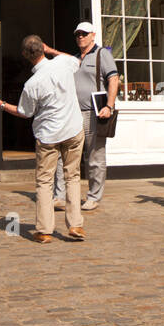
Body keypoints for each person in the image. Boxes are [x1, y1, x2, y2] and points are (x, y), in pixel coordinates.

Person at [0, 34, 85, 244]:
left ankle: (45, 230)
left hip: (49, 135)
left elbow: (24, 112)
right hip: (73, 129)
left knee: (45, 181)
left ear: (25, 56)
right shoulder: (63, 62)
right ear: (43, 49)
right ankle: (75, 225)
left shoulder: (32, 83)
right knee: (72, 176)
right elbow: (77, 61)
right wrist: (52, 50)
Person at [46, 23, 118, 212]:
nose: (80, 37)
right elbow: (66, 59)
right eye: (77, 34)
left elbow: (113, 79)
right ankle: (60, 196)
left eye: (84, 34)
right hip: (73, 113)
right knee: (65, 155)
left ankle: (94, 196)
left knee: (95, 156)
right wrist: (49, 51)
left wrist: (109, 106)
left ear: (93, 35)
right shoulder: (76, 58)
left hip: (94, 113)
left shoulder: (102, 54)